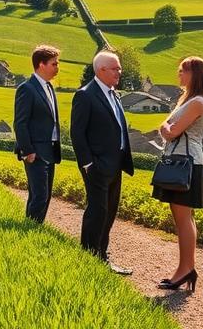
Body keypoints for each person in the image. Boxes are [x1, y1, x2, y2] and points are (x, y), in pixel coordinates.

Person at [154, 56, 203, 292]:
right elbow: (166, 126)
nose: (179, 75)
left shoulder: (197, 102)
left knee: (183, 219)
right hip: (183, 162)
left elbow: (170, 130)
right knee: (183, 218)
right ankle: (187, 268)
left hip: (186, 164)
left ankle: (185, 269)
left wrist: (166, 127)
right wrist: (166, 127)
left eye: (182, 71)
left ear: (194, 74)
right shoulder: (189, 101)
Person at [70, 49, 135, 274]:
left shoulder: (113, 93)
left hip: (116, 163)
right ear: (101, 70)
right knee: (97, 211)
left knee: (110, 211)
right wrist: (88, 164)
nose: (120, 71)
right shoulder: (85, 95)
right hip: (97, 165)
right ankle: (89, 258)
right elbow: (77, 133)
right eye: (115, 68)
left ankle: (101, 256)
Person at [13, 44, 62, 222]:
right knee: (39, 195)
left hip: (50, 150)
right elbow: (20, 122)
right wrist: (28, 151)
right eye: (54, 64)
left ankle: (34, 229)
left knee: (45, 195)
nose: (57, 67)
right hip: (35, 152)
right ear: (41, 64)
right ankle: (30, 230)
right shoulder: (27, 89)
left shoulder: (49, 88)